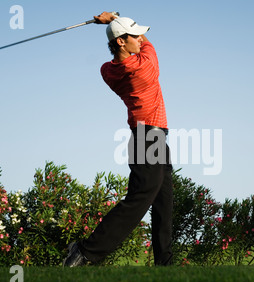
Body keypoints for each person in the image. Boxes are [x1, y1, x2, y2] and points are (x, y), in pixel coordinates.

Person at [63, 12, 173, 267]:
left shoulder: (107, 70)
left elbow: (131, 46)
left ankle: (165, 266)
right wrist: (115, 17)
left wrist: (114, 24)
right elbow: (147, 42)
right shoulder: (146, 65)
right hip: (149, 137)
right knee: (140, 198)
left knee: (163, 202)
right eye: (133, 36)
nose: (139, 39)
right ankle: (85, 251)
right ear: (122, 41)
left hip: (148, 138)